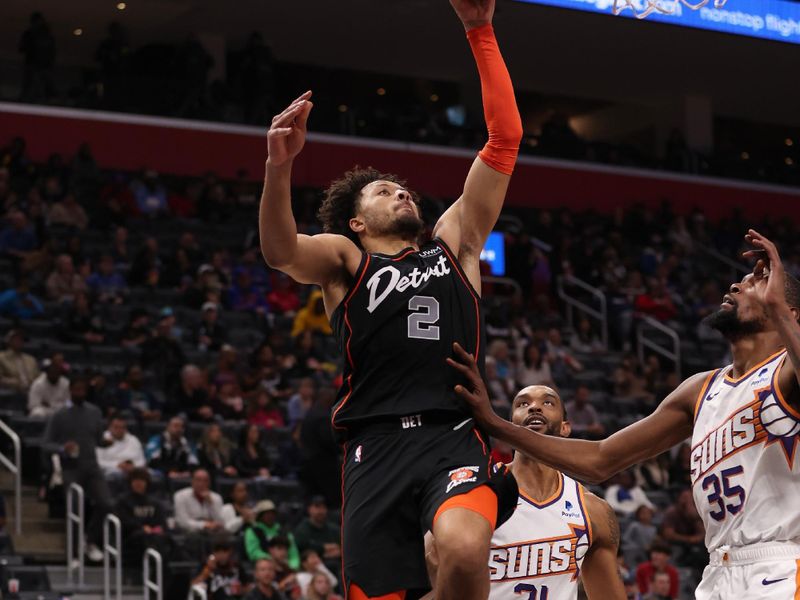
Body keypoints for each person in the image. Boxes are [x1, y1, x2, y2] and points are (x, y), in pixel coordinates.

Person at [259, 1, 522, 596]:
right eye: (384, 191)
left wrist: (479, 30)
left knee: (461, 548)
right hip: (372, 446)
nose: (401, 192)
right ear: (356, 221)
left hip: (451, 433)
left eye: (404, 189)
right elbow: (279, 251)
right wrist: (280, 167)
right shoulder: (346, 261)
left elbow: (505, 138)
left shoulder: (455, 244)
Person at [449, 228, 800, 600]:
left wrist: (778, 310)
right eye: (740, 281)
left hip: (781, 562)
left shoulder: (785, 373)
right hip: (718, 571)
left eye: (754, 284)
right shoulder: (700, 389)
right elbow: (601, 460)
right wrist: (493, 421)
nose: (735, 286)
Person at [426, 384, 625, 599]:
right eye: (523, 403)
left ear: (566, 428)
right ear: (509, 427)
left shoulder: (592, 510)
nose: (534, 408)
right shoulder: (476, 496)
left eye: (547, 402)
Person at [42, 374, 111, 561]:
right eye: (76, 389)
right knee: (74, 508)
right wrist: (62, 448)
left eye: (83, 389)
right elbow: (46, 444)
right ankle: (73, 553)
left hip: (92, 466)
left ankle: (89, 540)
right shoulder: (59, 415)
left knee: (106, 503)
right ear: (70, 390)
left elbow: (99, 440)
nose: (80, 392)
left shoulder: (95, 412)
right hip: (70, 468)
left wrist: (107, 441)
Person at [113, 468, 171, 566]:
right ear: (130, 482)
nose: (138, 483)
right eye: (135, 480)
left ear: (147, 482)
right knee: (145, 538)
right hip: (130, 538)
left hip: (153, 536)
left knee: (167, 539)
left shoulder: (155, 503)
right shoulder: (122, 501)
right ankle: (156, 566)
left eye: (142, 480)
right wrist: (141, 528)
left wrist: (154, 529)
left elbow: (161, 522)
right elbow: (123, 522)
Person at [245, 500, 300, 570]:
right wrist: (271, 559)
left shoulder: (284, 531)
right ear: (260, 516)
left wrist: (292, 566)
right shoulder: (252, 531)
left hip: (285, 565)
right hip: (264, 566)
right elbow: (253, 552)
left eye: (272, 513)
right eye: (266, 513)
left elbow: (293, 553)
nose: (270, 516)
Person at [191, 535, 249, 600]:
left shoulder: (236, 566)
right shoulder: (205, 566)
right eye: (218, 551)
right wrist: (207, 571)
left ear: (230, 551)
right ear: (213, 552)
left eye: (224, 551)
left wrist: (241, 590)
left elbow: (247, 587)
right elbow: (193, 585)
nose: (221, 555)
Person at [292, 496, 340, 571]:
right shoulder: (302, 529)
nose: (321, 511)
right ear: (309, 509)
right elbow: (301, 545)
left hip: (336, 565)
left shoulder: (334, 529)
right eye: (317, 507)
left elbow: (342, 546)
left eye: (323, 507)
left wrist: (339, 551)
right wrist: (323, 548)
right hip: (310, 569)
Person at [96, 415, 146, 486]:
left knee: (155, 476)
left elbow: (142, 461)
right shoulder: (102, 439)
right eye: (116, 427)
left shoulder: (133, 440)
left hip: (133, 472)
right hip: (110, 471)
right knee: (116, 476)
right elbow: (98, 462)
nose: (120, 430)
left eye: (122, 427)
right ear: (109, 427)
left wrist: (132, 467)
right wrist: (117, 465)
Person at [174, 468, 225, 534]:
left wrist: (211, 503)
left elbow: (221, 522)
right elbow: (183, 522)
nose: (201, 484)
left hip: (211, 533)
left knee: (224, 533)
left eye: (205, 481)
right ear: (192, 481)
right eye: (198, 480)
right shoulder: (180, 496)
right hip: (188, 532)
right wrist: (204, 525)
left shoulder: (216, 498)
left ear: (209, 483)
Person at [0, 329, 39, 393]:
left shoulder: (31, 359)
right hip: (10, 393)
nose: (18, 341)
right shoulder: (1, 357)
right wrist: (17, 382)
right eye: (15, 339)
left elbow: (38, 379)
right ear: (8, 341)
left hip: (31, 392)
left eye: (20, 339)